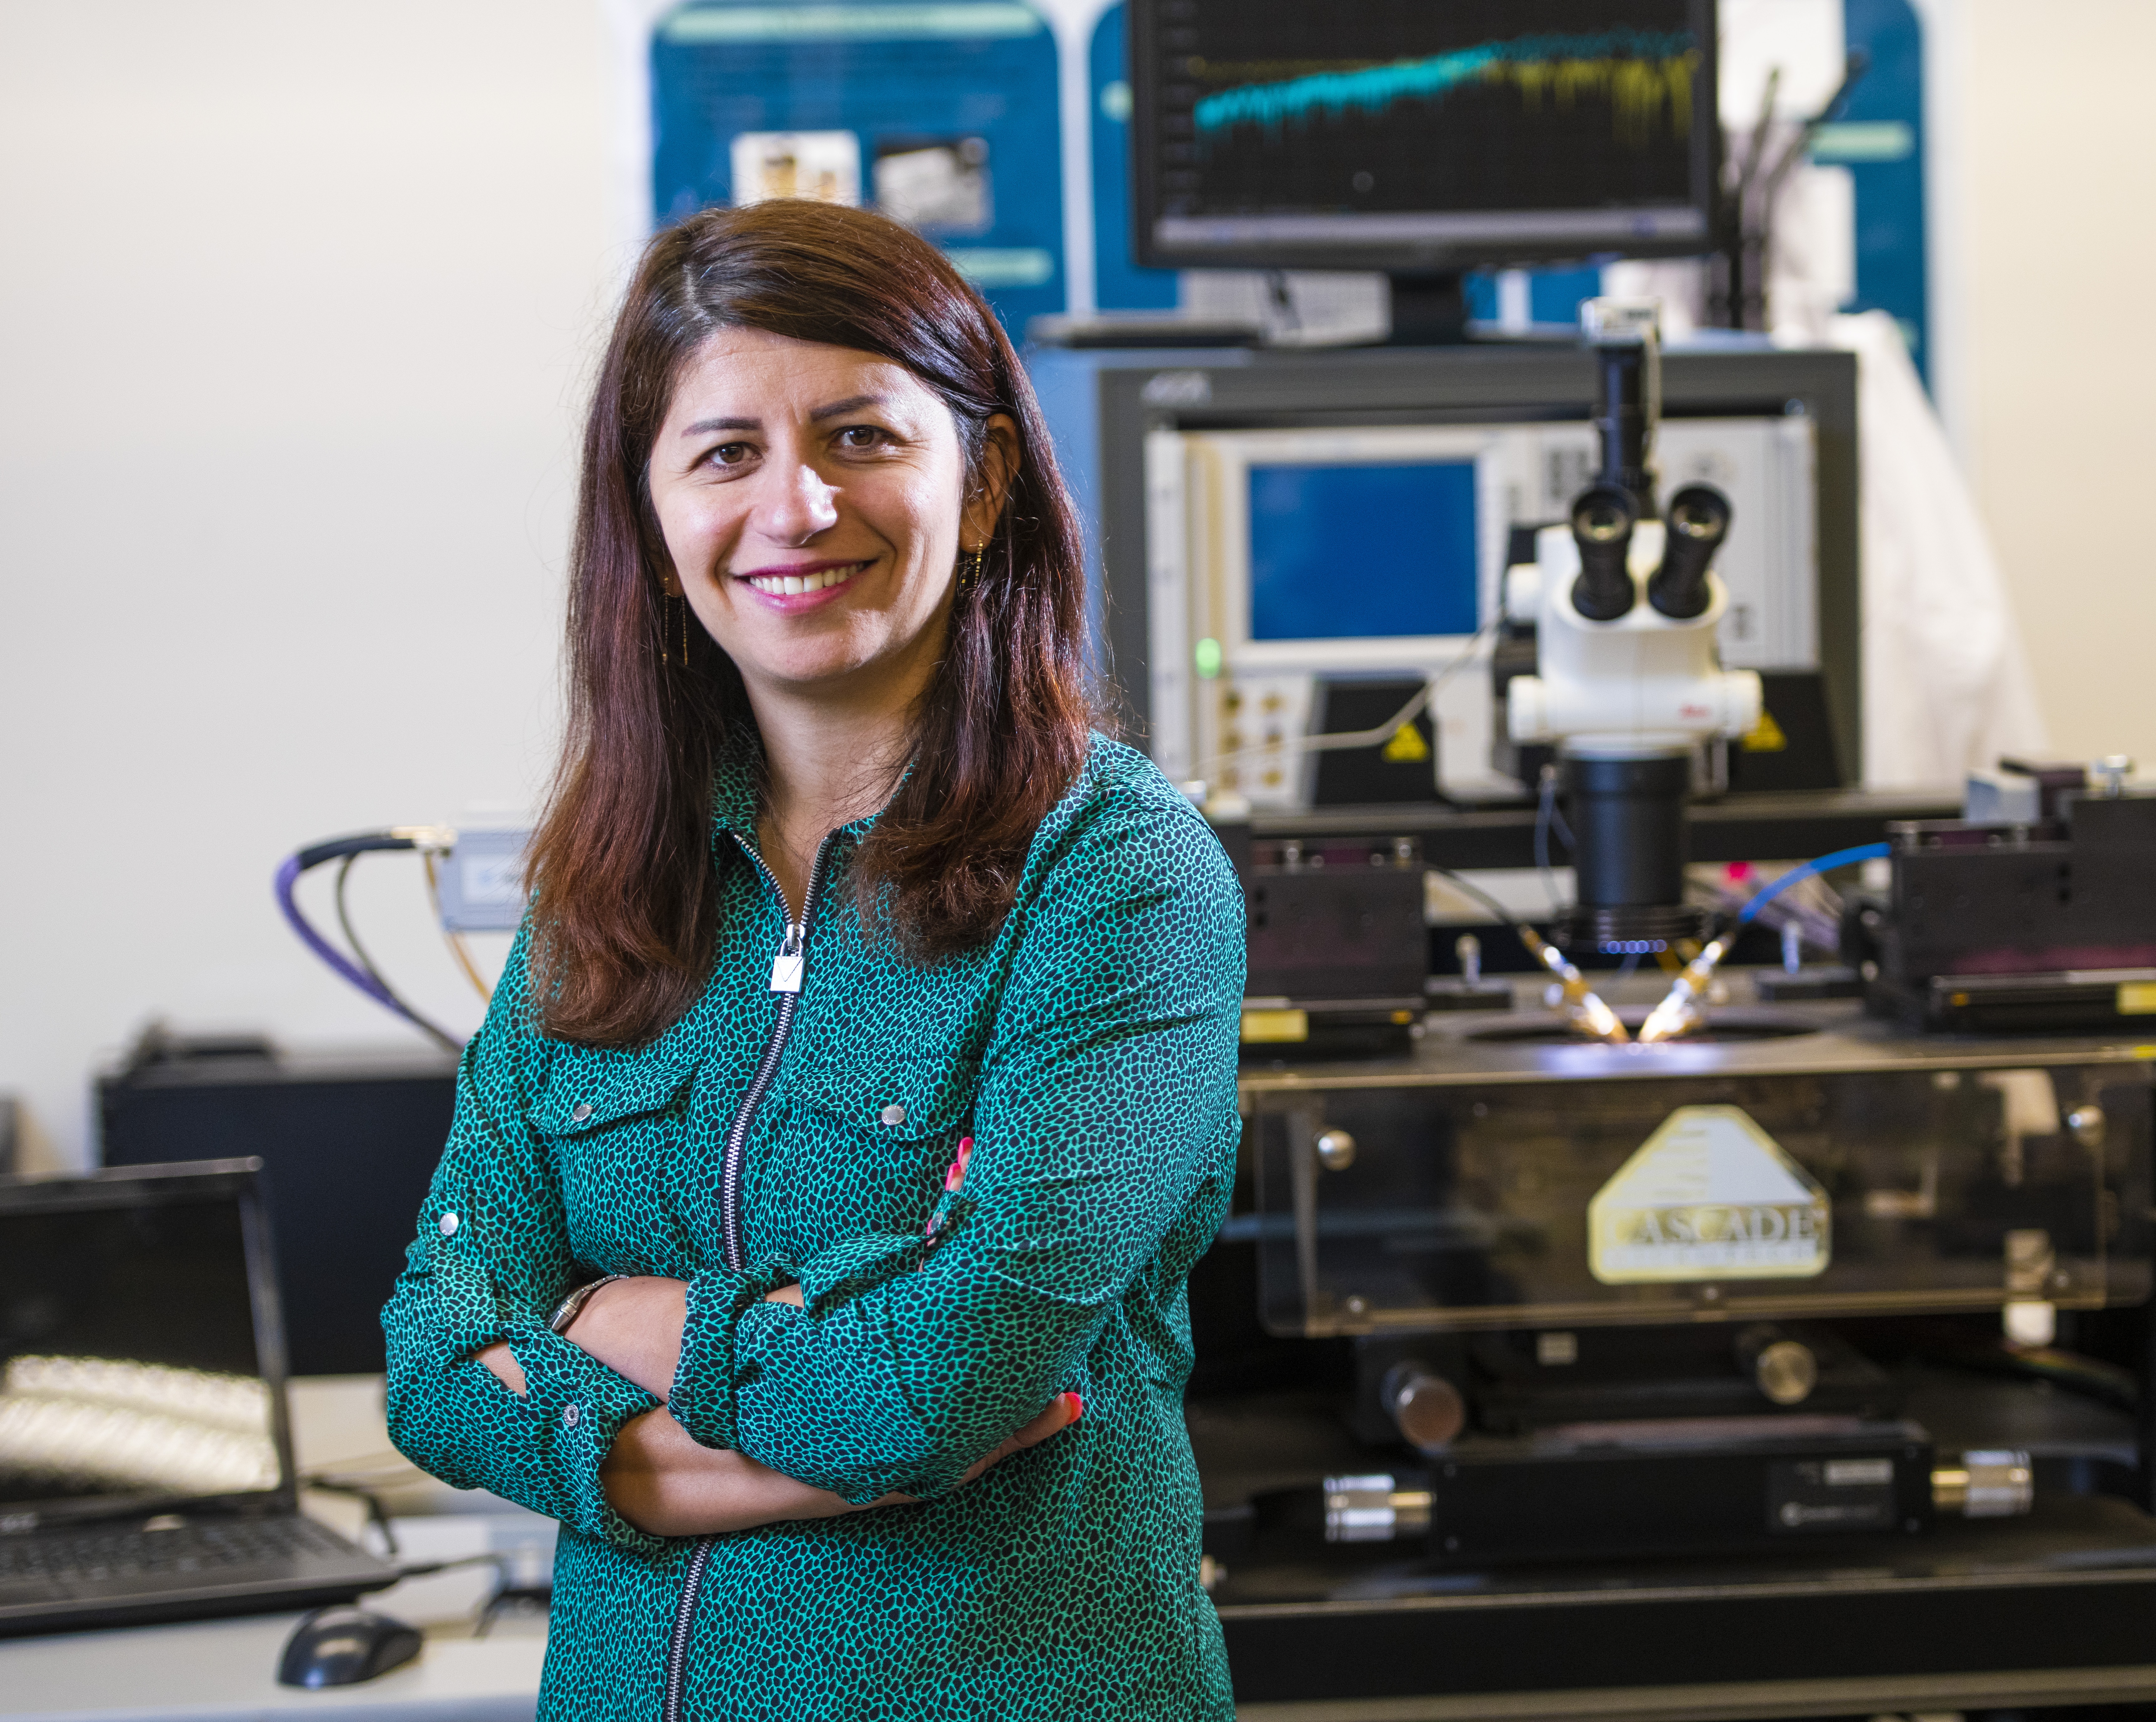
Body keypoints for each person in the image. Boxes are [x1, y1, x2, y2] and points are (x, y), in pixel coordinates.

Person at [381, 198, 1245, 1722]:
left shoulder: (1111, 868)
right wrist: (712, 1461)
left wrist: (608, 1326)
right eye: (725, 454)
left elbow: (948, 1377)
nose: (795, 507)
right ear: (651, 530)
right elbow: (434, 1356)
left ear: (978, 489)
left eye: (860, 437)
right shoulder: (603, 885)